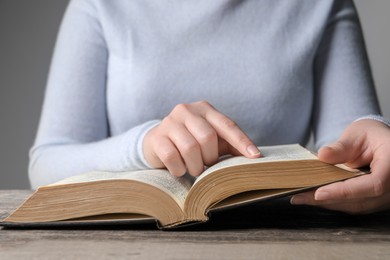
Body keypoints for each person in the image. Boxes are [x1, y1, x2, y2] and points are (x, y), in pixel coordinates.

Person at [29, 0, 390, 214]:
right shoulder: (100, 4)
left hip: (282, 236)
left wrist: (374, 136)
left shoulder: (321, 4)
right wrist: (146, 145)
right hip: (132, 237)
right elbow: (46, 161)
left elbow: (348, 145)